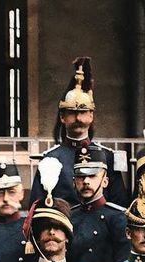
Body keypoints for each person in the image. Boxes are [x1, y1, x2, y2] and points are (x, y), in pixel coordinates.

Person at [29, 57, 128, 208]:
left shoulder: (108, 157)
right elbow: (37, 208)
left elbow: (119, 206)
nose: (78, 118)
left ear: (91, 115)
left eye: (83, 112)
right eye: (72, 113)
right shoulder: (51, 159)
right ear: (62, 117)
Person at [68, 145, 129, 262]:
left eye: (92, 176)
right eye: (80, 177)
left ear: (105, 181)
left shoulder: (118, 218)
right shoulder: (69, 217)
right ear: (74, 182)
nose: (85, 181)